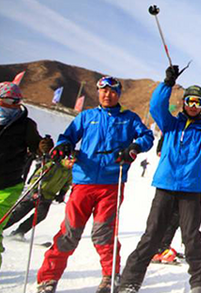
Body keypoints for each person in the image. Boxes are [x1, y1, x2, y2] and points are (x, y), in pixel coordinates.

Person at [37, 76, 154, 293]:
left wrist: (134, 147)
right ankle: (48, 278)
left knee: (104, 233)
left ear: (118, 94)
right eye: (103, 91)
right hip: (84, 181)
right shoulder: (87, 116)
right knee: (69, 232)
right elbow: (68, 136)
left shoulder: (128, 119)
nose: (107, 94)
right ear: (98, 93)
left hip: (111, 183)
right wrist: (63, 146)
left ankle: (110, 277)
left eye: (112, 91)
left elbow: (147, 137)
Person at [119, 68, 201, 293]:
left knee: (191, 237)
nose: (193, 106)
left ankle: (199, 283)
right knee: (152, 235)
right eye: (189, 101)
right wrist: (167, 84)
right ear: (183, 103)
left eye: (198, 103)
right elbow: (156, 108)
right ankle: (129, 281)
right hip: (165, 187)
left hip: (191, 190)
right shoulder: (170, 125)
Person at [0, 81, 42, 270]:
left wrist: (43, 146)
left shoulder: (25, 125)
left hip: (9, 184)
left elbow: (37, 147)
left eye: (18, 101)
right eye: (10, 101)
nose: (15, 105)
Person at [5, 136, 72, 239]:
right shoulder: (53, 165)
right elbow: (36, 177)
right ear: (66, 159)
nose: (71, 164)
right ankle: (2, 227)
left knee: (40, 216)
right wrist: (35, 190)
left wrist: (62, 194)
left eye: (74, 163)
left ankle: (19, 232)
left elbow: (66, 184)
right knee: (19, 213)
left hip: (47, 197)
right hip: (36, 193)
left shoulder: (69, 173)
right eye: (70, 161)